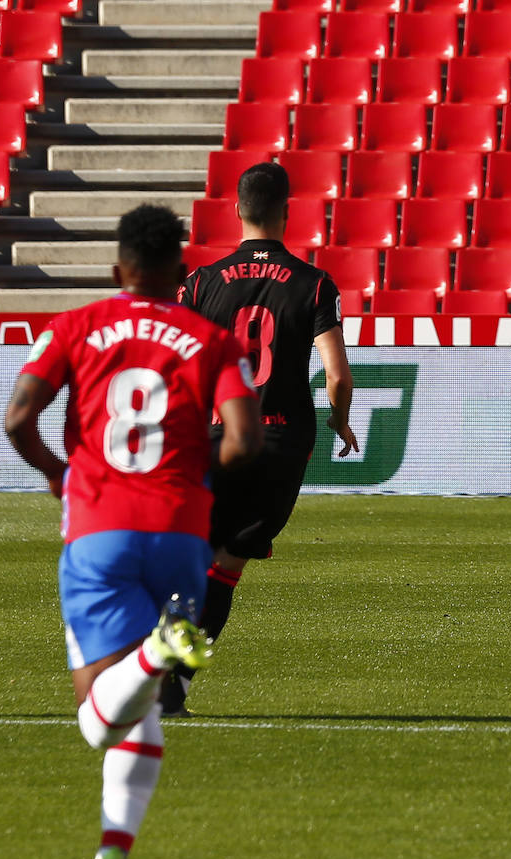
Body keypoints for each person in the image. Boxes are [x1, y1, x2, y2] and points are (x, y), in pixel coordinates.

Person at [3, 204, 262, 859]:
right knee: (141, 717)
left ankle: (157, 652)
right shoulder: (209, 338)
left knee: (99, 719)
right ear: (181, 272)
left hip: (99, 528)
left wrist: (60, 475)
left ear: (119, 269)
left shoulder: (74, 327)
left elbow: (17, 419)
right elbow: (245, 439)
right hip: (181, 533)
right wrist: (190, 467)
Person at [165, 161, 358, 716]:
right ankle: (174, 682)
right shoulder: (314, 282)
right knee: (227, 565)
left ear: (237, 211)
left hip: (216, 437)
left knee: (194, 558)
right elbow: (338, 374)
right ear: (287, 213)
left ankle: (157, 665)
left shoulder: (199, 283)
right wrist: (338, 417)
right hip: (280, 445)